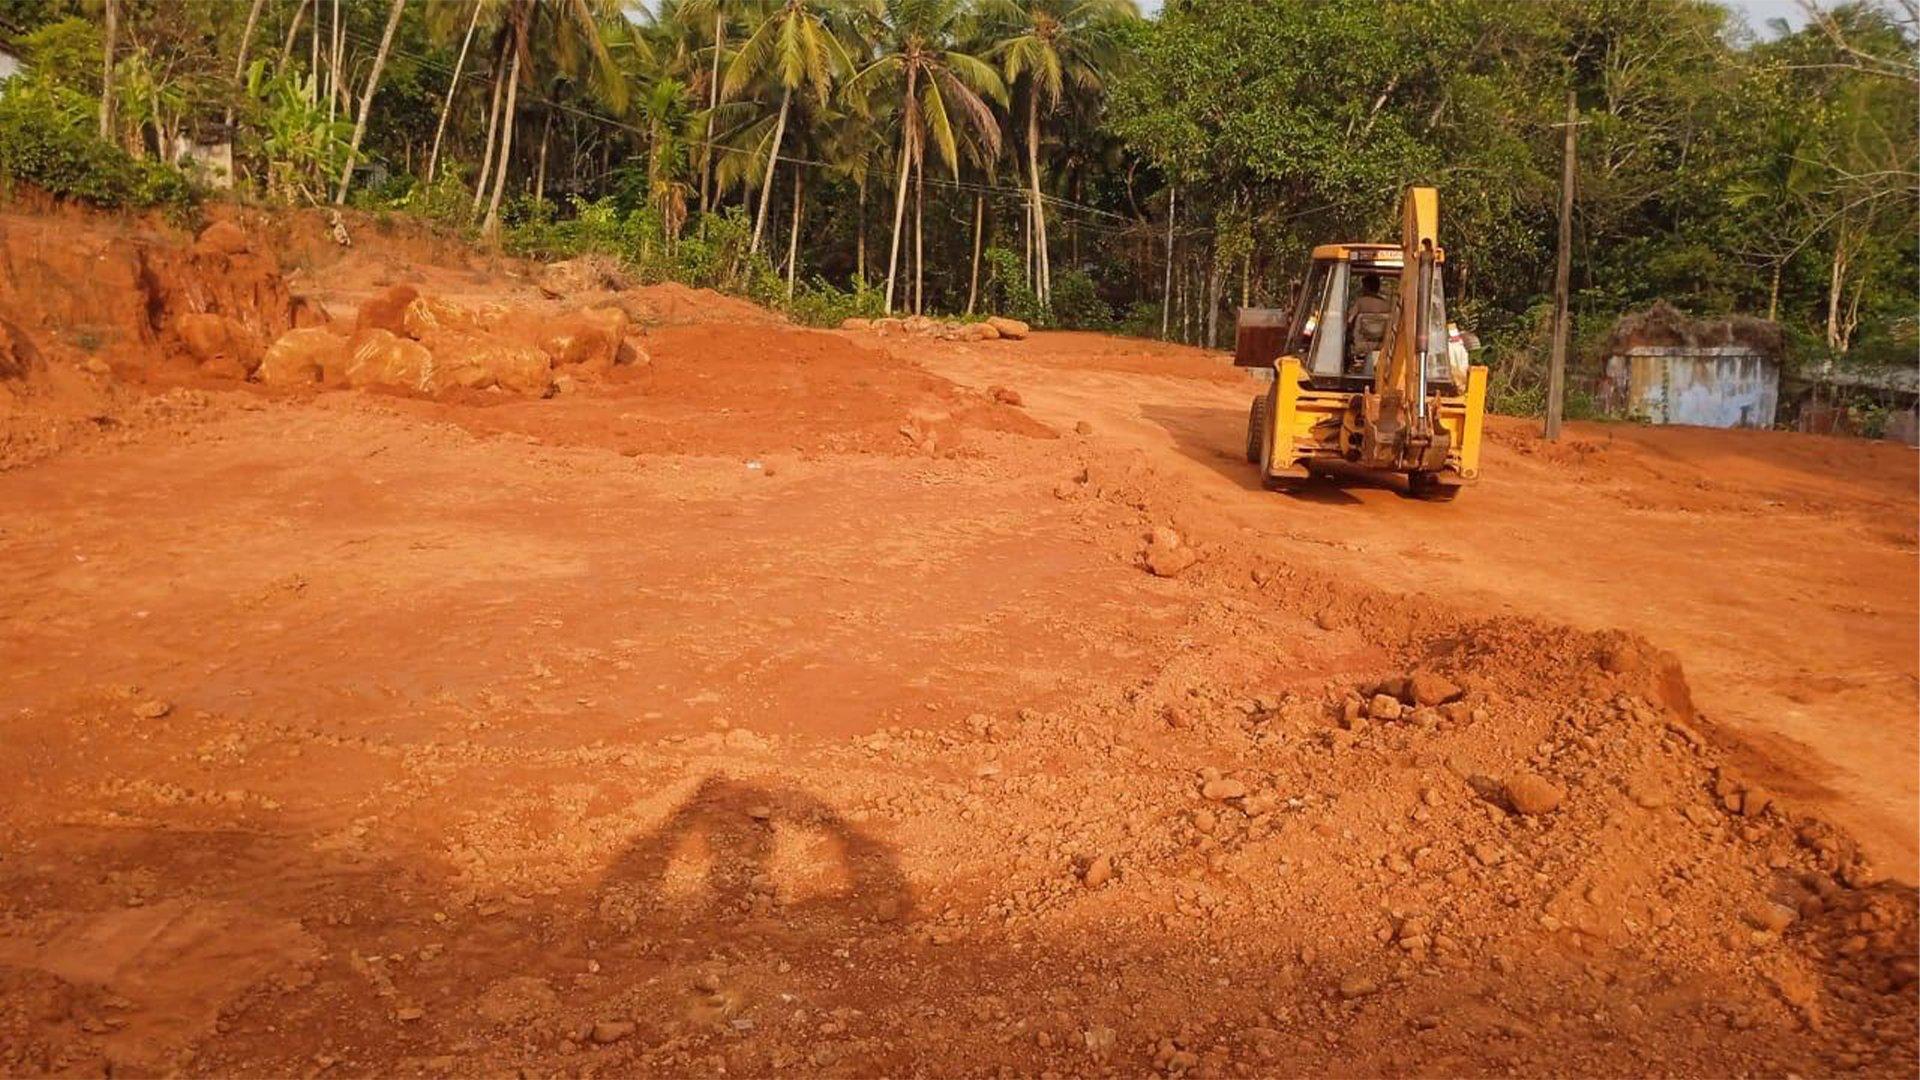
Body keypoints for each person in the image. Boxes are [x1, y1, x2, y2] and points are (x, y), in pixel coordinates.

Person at [1345, 273, 1392, 371]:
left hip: (1360, 344)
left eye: (1363, 287)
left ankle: (1346, 368)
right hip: (1382, 344)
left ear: (1366, 287)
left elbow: (1349, 321)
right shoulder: (1387, 305)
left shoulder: (1360, 302)